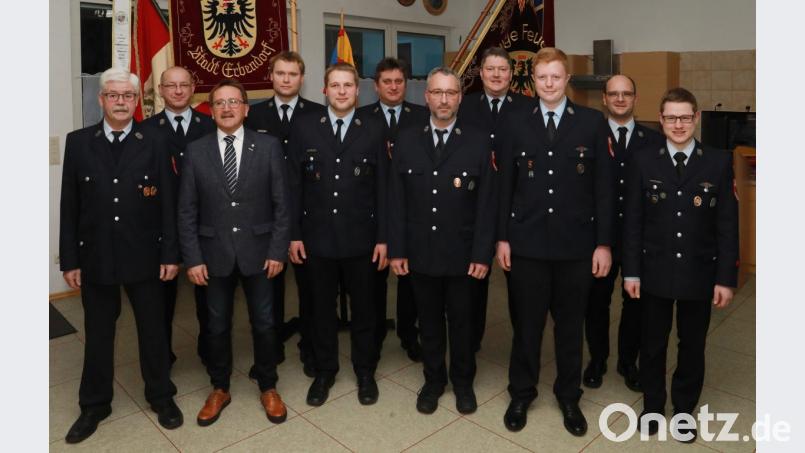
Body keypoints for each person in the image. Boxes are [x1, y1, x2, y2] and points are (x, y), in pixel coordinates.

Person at [59, 67, 183, 443]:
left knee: (153, 331)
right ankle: (94, 405)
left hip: (144, 255)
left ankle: (161, 395)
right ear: (101, 100)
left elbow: (168, 203)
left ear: (136, 101)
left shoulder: (156, 140)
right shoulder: (79, 142)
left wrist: (170, 254)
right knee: (98, 334)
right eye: (113, 95)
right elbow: (70, 206)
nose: (120, 101)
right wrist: (70, 260)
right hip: (96, 256)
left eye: (127, 96)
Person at [496, 47, 614, 436]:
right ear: (532, 81)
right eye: (541, 77)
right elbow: (505, 187)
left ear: (567, 79)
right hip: (527, 244)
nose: (548, 84)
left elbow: (602, 189)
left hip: (576, 247)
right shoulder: (515, 122)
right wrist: (502, 238)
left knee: (569, 327)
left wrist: (603, 244)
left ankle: (568, 395)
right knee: (527, 326)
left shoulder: (593, 123)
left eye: (555, 77)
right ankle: (521, 392)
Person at [623, 87, 739, 442]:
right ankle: (654, 407)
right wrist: (631, 271)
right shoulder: (643, 160)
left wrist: (725, 278)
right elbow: (633, 222)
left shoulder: (718, 161)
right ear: (660, 119)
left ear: (696, 117)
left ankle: (684, 410)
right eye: (671, 117)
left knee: (692, 344)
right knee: (653, 343)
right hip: (654, 270)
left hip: (699, 273)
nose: (678, 124)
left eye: (685, 117)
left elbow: (727, 225)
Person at [178, 79, 291, 426]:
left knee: (265, 323)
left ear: (245, 108)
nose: (227, 108)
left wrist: (276, 250)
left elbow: (282, 206)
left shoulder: (269, 147)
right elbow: (187, 211)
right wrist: (194, 258)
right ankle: (220, 387)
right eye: (219, 103)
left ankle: (268, 385)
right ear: (210, 110)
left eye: (233, 102)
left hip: (260, 253)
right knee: (215, 326)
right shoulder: (195, 151)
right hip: (212, 256)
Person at [389, 66, 497, 415]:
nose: (444, 99)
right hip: (421, 252)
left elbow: (486, 204)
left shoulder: (479, 140)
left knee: (463, 324)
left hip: (464, 254)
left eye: (451, 93)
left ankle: (463, 383)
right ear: (427, 97)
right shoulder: (406, 139)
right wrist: (398, 249)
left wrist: (483, 254)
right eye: (437, 92)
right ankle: (434, 381)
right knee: (430, 323)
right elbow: (397, 200)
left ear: (460, 98)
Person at [287, 63, 388, 407]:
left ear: (358, 92)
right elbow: (293, 185)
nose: (342, 91)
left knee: (365, 311)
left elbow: (384, 189)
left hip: (363, 239)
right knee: (320, 311)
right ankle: (325, 371)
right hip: (317, 239)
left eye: (348, 85)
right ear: (324, 90)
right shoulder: (303, 127)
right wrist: (294, 234)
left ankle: (364, 371)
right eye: (335, 85)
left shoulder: (374, 128)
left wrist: (384, 238)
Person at [245, 51, 325, 376]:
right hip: (266, 214)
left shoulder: (320, 114)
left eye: (293, 74)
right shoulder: (253, 115)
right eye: (281, 73)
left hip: (309, 214)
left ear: (302, 78)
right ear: (271, 76)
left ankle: (310, 347)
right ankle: (271, 349)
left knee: (311, 288)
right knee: (269, 288)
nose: (287, 79)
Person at [582, 75, 663, 391]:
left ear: (635, 97)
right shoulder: (589, 134)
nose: (619, 99)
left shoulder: (654, 140)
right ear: (603, 98)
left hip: (639, 239)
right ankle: (597, 358)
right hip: (598, 237)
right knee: (596, 303)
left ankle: (629, 361)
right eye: (613, 94)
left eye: (626, 93)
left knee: (636, 304)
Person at [458, 46, 534, 351]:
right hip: (472, 207)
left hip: (516, 205)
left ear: (512, 73)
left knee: (520, 283)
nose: (496, 75)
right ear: (480, 72)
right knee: (473, 280)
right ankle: (470, 343)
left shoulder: (529, 107)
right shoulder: (464, 106)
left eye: (503, 69)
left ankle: (523, 343)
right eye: (490, 69)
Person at [143, 66, 215, 366]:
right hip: (162, 226)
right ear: (160, 89)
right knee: (161, 300)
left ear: (193, 88)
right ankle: (162, 356)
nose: (177, 91)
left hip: (206, 224)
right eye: (170, 85)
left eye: (184, 85)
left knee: (209, 299)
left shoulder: (211, 125)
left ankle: (210, 351)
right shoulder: (145, 131)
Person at [357, 57, 428, 363]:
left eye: (399, 81)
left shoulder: (422, 116)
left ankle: (408, 334)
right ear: (376, 86)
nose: (393, 86)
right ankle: (373, 336)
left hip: (412, 210)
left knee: (409, 279)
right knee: (373, 280)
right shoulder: (360, 117)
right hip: (371, 209)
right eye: (387, 81)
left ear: (406, 84)